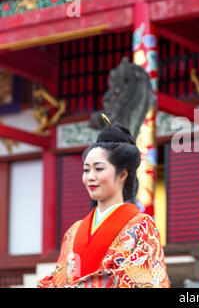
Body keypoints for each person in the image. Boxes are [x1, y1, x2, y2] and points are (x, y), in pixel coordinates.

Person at [38, 119, 170, 288]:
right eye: (86, 170)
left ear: (122, 174)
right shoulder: (74, 230)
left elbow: (144, 280)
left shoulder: (142, 226)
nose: (90, 177)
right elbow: (58, 278)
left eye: (98, 169)